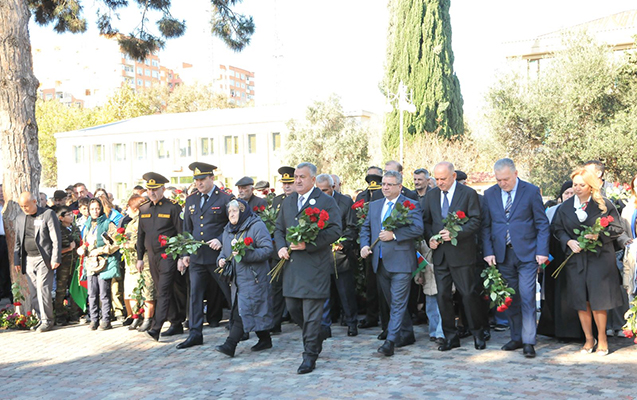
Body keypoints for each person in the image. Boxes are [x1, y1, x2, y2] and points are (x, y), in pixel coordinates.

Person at [275, 162, 342, 374]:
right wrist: (280, 248)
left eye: (302, 177)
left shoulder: (326, 201)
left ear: (313, 179)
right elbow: (278, 229)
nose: (297, 181)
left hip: (314, 266)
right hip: (293, 267)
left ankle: (309, 355)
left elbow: (335, 230)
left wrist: (309, 244)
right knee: (294, 308)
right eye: (295, 177)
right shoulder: (289, 202)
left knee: (312, 314)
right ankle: (318, 332)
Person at [481, 158, 550, 358]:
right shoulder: (490, 194)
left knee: (527, 295)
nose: (502, 183)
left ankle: (529, 341)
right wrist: (488, 251)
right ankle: (516, 336)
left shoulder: (530, 191)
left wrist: (542, 251)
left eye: (506, 179)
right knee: (510, 297)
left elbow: (542, 223)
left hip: (528, 253)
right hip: (502, 254)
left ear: (515, 174)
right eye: (499, 180)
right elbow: (486, 226)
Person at [551, 167, 624, 356]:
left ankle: (603, 339)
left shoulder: (604, 205)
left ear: (590, 186)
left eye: (581, 185)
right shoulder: (564, 207)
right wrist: (568, 241)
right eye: (575, 184)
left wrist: (598, 235)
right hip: (576, 260)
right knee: (581, 300)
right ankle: (588, 339)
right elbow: (557, 229)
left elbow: (617, 228)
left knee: (598, 300)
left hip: (599, 259)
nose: (577, 188)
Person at [422, 161, 486, 351]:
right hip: (440, 255)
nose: (440, 182)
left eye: (443, 179)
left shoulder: (468, 194)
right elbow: (426, 221)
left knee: (467, 295)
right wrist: (429, 240)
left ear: (453, 176)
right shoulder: (431, 195)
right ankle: (450, 337)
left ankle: (477, 333)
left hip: (462, 254)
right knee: (442, 296)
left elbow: (476, 221)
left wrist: (456, 233)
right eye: (437, 179)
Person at [360, 170, 424, 356]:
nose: (385, 187)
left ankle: (391, 341)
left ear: (399, 187)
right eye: (384, 184)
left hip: (401, 261)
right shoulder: (375, 205)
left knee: (397, 302)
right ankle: (407, 333)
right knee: (393, 302)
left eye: (389, 184)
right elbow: (365, 228)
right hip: (379, 262)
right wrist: (364, 246)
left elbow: (418, 228)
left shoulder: (410, 205)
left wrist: (394, 235)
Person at [178, 162, 234, 349]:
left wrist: (220, 239)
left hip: (218, 256)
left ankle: (237, 327)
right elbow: (188, 228)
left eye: (202, 179)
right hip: (197, 257)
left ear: (212, 178)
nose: (199, 183)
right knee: (195, 296)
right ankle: (195, 333)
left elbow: (232, 225)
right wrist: (185, 252)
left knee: (229, 292)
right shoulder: (191, 200)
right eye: (196, 180)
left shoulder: (225, 199)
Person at [215, 199, 274, 357]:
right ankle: (265, 338)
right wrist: (220, 260)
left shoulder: (256, 226)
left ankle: (230, 345)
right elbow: (224, 251)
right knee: (248, 310)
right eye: (230, 212)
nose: (232, 215)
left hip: (254, 278)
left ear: (243, 211)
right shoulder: (227, 229)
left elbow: (268, 249)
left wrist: (247, 255)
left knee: (242, 313)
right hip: (237, 280)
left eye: (235, 211)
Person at [136, 173, 186, 340]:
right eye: (149, 190)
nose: (152, 193)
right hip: (151, 256)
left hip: (168, 255)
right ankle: (176, 322)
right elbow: (140, 235)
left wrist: (182, 256)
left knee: (163, 291)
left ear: (163, 189)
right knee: (164, 289)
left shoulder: (172, 207)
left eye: (155, 189)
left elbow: (181, 233)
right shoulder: (143, 208)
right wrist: (139, 257)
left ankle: (156, 327)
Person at [537, 181, 584, 340]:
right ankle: (555, 329)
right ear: (560, 196)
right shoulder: (551, 211)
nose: (569, 196)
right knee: (553, 293)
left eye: (572, 193)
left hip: (576, 258)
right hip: (554, 260)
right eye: (566, 193)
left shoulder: (582, 210)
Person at [315, 174, 359, 338]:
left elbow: (352, 227)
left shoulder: (345, 202)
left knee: (345, 292)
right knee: (323, 293)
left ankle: (351, 323)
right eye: (318, 190)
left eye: (325, 190)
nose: (322, 193)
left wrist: (343, 243)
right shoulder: (314, 202)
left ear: (333, 187)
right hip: (320, 254)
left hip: (341, 255)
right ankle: (325, 326)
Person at [13, 192, 62, 332]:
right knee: (34, 291)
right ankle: (41, 319)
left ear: (35, 201)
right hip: (28, 259)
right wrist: (17, 260)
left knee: (43, 289)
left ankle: (48, 320)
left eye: (26, 206)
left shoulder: (47, 214)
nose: (24, 209)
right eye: (22, 206)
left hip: (43, 258)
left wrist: (55, 258)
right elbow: (17, 242)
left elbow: (56, 238)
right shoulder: (20, 217)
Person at [77, 198, 121, 330]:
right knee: (92, 293)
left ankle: (106, 320)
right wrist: (83, 249)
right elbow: (87, 242)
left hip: (104, 262)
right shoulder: (88, 225)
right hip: (91, 263)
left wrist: (100, 250)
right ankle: (94, 319)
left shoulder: (108, 224)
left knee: (104, 293)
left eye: (97, 208)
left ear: (101, 209)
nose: (95, 211)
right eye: (92, 209)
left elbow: (115, 244)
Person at [356, 169, 389, 336]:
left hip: (391, 253)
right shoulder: (364, 197)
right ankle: (374, 317)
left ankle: (390, 325)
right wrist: (364, 245)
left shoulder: (398, 199)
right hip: (371, 251)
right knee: (371, 285)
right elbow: (365, 226)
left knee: (387, 293)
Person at [122, 194, 156, 331]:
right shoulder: (131, 222)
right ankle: (137, 316)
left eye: (129, 208)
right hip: (132, 261)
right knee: (134, 290)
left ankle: (148, 318)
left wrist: (126, 245)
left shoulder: (142, 222)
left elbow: (141, 242)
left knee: (147, 290)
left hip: (144, 259)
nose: (127, 211)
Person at [270, 166, 296, 334]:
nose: (286, 186)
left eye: (290, 183)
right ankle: (275, 322)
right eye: (284, 183)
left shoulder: (299, 200)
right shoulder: (277, 201)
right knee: (276, 288)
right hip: (279, 251)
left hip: (296, 249)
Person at [52, 206, 81, 325]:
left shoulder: (74, 228)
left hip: (74, 264)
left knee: (74, 288)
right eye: (68, 215)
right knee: (61, 290)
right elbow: (55, 250)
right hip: (63, 264)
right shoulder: (57, 230)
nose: (71, 216)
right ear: (61, 218)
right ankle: (60, 315)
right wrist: (69, 248)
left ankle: (74, 314)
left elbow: (79, 241)